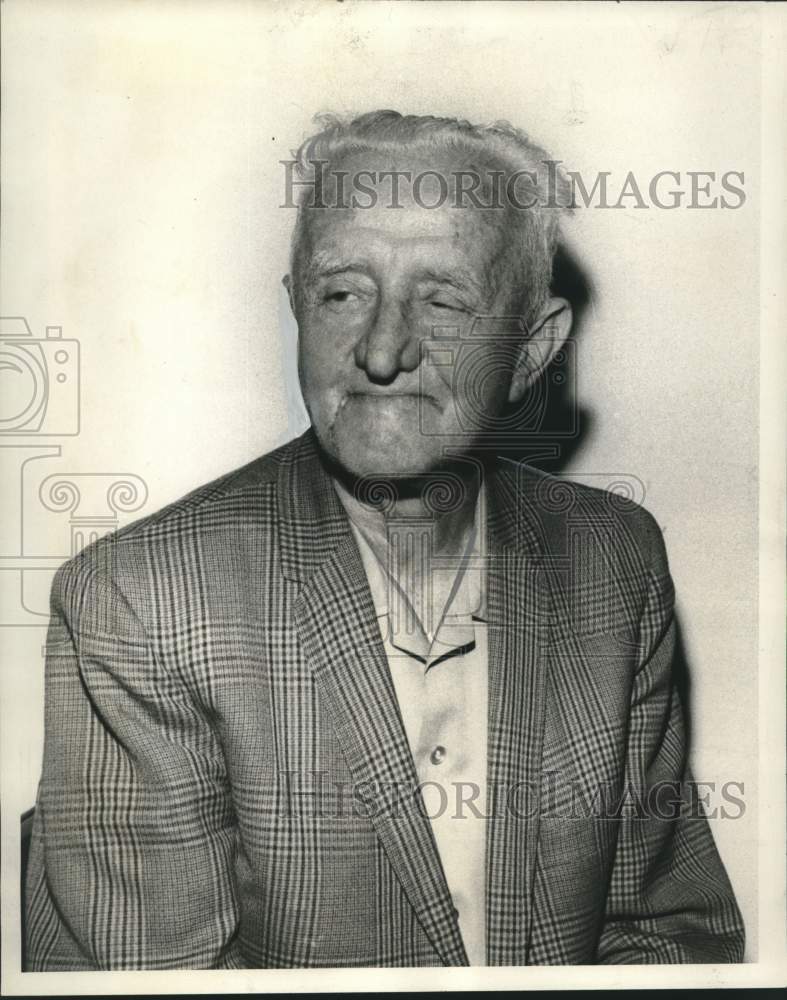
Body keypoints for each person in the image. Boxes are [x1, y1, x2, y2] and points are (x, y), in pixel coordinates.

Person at [24, 110, 744, 969]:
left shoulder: (614, 561)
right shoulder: (140, 600)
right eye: (343, 292)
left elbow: (661, 937)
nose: (380, 349)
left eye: (440, 299)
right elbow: (157, 986)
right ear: (296, 308)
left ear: (531, 348)